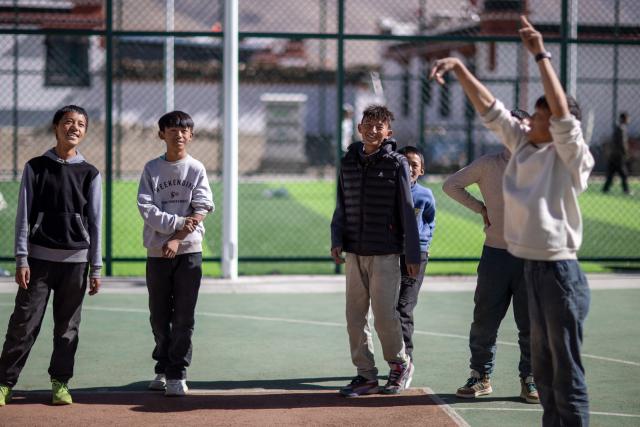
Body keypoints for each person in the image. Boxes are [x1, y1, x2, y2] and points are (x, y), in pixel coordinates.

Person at [431, 15, 594, 426]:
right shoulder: (521, 148)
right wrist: (460, 67)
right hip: (529, 267)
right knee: (543, 370)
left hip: (559, 273)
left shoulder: (571, 157)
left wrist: (540, 54)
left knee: (564, 375)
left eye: (537, 117)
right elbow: (491, 109)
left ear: (554, 124)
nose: (526, 121)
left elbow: (562, 118)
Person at [0, 105, 102, 406]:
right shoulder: (35, 167)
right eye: (68, 122)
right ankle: (4, 383)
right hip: (39, 263)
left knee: (67, 328)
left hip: (76, 264)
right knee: (23, 324)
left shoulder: (90, 173)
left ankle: (60, 384)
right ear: (56, 126)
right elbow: (23, 218)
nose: (75, 128)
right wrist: (22, 258)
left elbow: (95, 223)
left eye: (81, 124)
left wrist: (95, 268)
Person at [442, 110, 539, 404]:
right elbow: (451, 185)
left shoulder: (542, 164)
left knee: (531, 323)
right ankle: (480, 376)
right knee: (484, 319)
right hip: (495, 255)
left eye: (518, 127)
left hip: (532, 257)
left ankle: (531, 378)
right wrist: (480, 208)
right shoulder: (487, 164)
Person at [331, 105, 420, 397]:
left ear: (388, 132)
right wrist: (337, 238)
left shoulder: (397, 164)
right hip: (355, 252)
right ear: (359, 128)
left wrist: (412, 254)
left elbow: (407, 210)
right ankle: (365, 374)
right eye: (368, 124)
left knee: (384, 316)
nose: (372, 129)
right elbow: (341, 204)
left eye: (379, 126)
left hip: (385, 253)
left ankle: (399, 364)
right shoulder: (348, 162)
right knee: (354, 317)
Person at [137, 110, 214, 397]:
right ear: (161, 134)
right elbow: (147, 209)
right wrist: (179, 224)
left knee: (183, 316)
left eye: (184, 130)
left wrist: (178, 239)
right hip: (157, 253)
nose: (178, 134)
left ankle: (177, 372)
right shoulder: (151, 169)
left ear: (191, 135)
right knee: (158, 315)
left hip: (188, 251)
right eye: (172, 130)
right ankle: (162, 367)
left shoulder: (196, 169)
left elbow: (202, 207)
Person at [395, 146, 435, 368]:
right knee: (389, 309)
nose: (409, 168)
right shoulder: (390, 192)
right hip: (391, 253)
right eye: (405, 163)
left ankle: (406, 360)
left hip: (415, 256)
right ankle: (394, 358)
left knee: (404, 307)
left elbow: (430, 221)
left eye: (414, 165)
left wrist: (421, 249)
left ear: (422, 170)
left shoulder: (425, 195)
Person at [602, 112, 631, 194]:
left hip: (614, 155)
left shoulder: (618, 128)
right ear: (624, 119)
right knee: (623, 174)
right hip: (618, 156)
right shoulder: (622, 129)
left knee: (611, 173)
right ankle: (626, 190)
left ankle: (605, 189)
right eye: (627, 118)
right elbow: (622, 143)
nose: (629, 120)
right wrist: (626, 153)